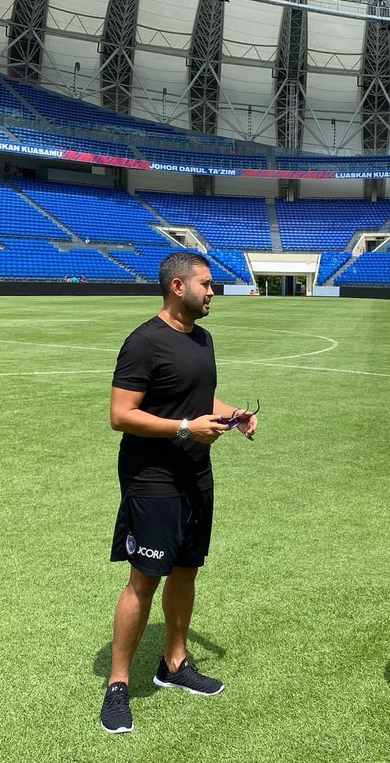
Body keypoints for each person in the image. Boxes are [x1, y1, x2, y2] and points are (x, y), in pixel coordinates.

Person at [99, 251, 258, 735]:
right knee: (144, 579)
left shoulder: (203, 339)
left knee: (186, 572)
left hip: (196, 476)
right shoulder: (143, 342)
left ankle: (174, 663)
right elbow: (121, 414)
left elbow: (197, 396)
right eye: (206, 285)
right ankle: (118, 684)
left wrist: (233, 413)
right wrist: (186, 428)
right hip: (153, 481)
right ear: (178, 287)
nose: (213, 292)